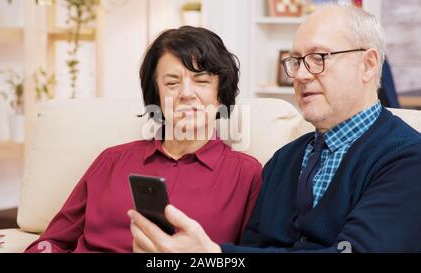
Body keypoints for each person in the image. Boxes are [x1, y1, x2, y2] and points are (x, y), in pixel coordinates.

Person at [128, 6, 421, 253]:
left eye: (318, 58)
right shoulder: (283, 160)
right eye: (296, 61)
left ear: (368, 64)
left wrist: (215, 255)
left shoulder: (408, 158)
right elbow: (254, 246)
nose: (302, 75)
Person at [24, 26, 262, 253]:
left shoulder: (247, 174)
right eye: (171, 83)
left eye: (201, 81)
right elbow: (52, 241)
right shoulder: (112, 161)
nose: (186, 94)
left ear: (220, 94)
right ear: (156, 95)